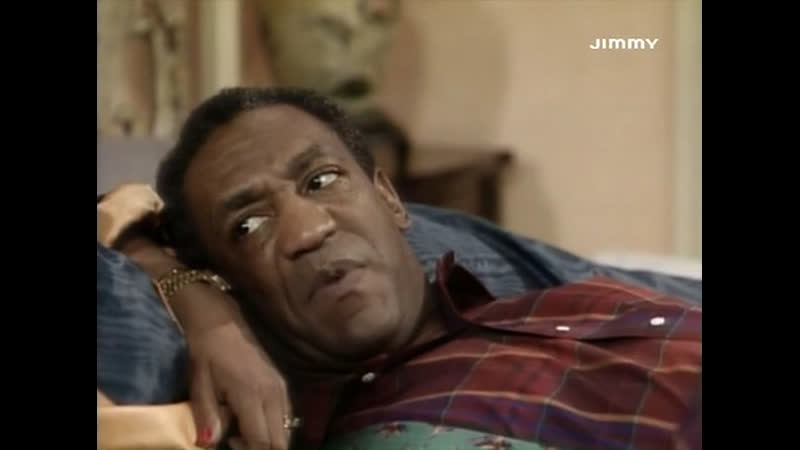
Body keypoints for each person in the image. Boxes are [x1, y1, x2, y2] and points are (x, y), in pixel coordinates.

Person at [98, 86, 701, 450]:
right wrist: (196, 302)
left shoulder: (565, 297)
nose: (308, 231)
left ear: (389, 200)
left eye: (322, 181)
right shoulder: (384, 427)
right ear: (229, 281)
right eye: (249, 226)